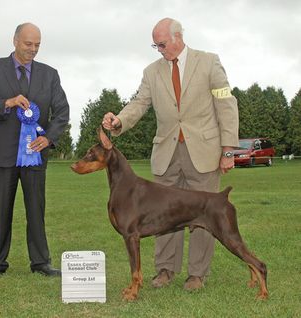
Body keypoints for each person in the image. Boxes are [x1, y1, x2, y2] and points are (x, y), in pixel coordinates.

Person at [102, 17, 239, 291]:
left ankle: (197, 274)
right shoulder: (151, 72)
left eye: (161, 44)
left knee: (205, 214)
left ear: (177, 37)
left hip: (204, 150)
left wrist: (228, 149)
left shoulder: (209, 61)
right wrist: (119, 121)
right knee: (161, 213)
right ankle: (165, 270)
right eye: (156, 45)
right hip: (166, 152)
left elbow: (226, 103)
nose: (159, 49)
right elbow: (139, 102)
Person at [0, 22, 69, 282]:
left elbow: (62, 112)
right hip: (2, 154)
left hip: (36, 156)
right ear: (15, 40)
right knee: (0, 211)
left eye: (37, 45)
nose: (33, 49)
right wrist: (7, 103)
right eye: (29, 44)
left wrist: (48, 139)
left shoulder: (50, 74)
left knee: (36, 210)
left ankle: (41, 262)